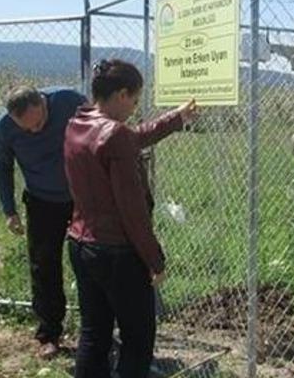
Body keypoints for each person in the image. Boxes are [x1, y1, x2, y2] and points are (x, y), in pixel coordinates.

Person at [64, 59, 197, 378]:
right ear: (122, 94)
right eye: (135, 100)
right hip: (117, 253)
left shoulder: (77, 124)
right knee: (137, 339)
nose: (135, 108)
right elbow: (133, 212)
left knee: (94, 333)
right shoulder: (115, 135)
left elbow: (131, 138)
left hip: (81, 243)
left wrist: (175, 118)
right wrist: (155, 260)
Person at [0, 85, 87, 358]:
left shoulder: (70, 102)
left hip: (82, 197)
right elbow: (1, 166)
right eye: (27, 128)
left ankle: (96, 330)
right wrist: (9, 210)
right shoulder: (4, 128)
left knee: (92, 262)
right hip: (41, 201)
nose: (35, 131)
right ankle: (49, 333)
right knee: (44, 267)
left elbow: (99, 134)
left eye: (39, 123)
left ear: (43, 104)